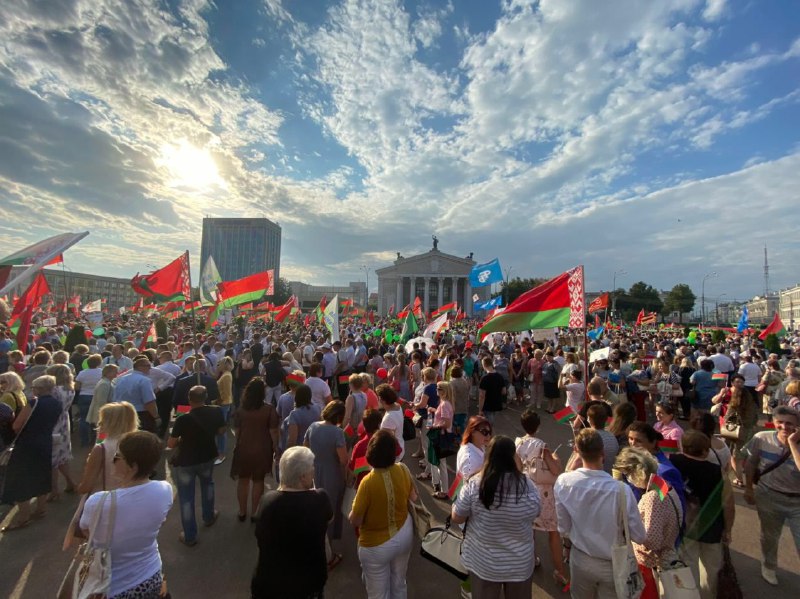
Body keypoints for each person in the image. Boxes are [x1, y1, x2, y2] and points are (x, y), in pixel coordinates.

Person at [80, 431, 173, 598]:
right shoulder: (165, 490)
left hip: (112, 586)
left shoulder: (98, 502)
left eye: (117, 456)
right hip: (152, 576)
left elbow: (86, 531)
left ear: (133, 466)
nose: (112, 460)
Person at [555, 429, 646, 598]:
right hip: (614, 564)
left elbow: (563, 528)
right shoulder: (622, 491)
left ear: (576, 450)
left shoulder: (563, 482)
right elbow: (639, 536)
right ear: (603, 453)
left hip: (581, 559)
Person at [451, 435, 541, 598]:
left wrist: (454, 505)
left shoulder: (475, 484)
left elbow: (457, 517)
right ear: (513, 457)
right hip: (519, 564)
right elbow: (536, 511)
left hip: (483, 563)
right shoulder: (527, 485)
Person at [252, 446, 332, 599]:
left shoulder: (267, 501)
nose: (314, 471)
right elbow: (329, 518)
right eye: (311, 468)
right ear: (302, 477)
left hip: (269, 586)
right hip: (307, 586)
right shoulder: (320, 499)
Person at [349, 430, 416, 599]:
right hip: (404, 533)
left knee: (378, 593)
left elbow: (355, 520)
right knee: (399, 583)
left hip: (376, 545)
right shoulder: (403, 469)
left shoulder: (368, 482)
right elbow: (414, 497)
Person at [671, 430, 734, 598]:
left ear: (682, 446)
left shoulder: (674, 463)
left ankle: (691, 595)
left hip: (685, 524)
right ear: (706, 451)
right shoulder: (717, 472)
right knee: (711, 568)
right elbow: (728, 504)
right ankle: (708, 595)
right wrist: (728, 529)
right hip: (711, 525)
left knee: (688, 563)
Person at [614, 447, 683, 599]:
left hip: (650, 566)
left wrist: (630, 529)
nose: (628, 479)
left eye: (628, 474)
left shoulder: (652, 498)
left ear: (639, 473)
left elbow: (652, 540)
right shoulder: (664, 486)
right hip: (667, 555)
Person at [743, 405, 800, 586]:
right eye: (779, 422)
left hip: (797, 501)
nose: (784, 427)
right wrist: (748, 488)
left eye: (790, 423)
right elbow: (751, 463)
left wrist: (792, 443)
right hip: (769, 495)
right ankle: (769, 565)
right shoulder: (761, 438)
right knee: (770, 536)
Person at [0, 375, 63, 531]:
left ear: (39, 389)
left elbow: (17, 425)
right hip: (45, 442)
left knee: (20, 480)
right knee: (41, 475)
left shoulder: (34, 402)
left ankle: (23, 517)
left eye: (34, 387)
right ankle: (41, 509)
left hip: (27, 444)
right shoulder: (57, 403)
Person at [167, 385, 225, 546]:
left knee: (186, 497)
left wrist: (182, 438)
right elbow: (221, 431)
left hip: (186, 460)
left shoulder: (183, 417)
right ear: (206, 397)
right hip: (207, 456)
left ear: (189, 399)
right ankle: (209, 516)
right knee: (208, 485)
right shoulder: (216, 411)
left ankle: (190, 535)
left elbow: (171, 444)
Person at [515, 409, 568, 587]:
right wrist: (554, 457)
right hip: (543, 492)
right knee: (553, 531)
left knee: (530, 529)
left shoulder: (518, 443)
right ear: (538, 426)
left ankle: (532, 559)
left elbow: (517, 468)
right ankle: (559, 570)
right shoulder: (542, 446)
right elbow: (555, 470)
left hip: (525, 489)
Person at [304, 400, 348, 569]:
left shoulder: (313, 426)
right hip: (332, 474)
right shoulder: (337, 432)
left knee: (314, 509)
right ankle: (327, 554)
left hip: (313, 472)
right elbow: (343, 460)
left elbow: (305, 449)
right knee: (329, 511)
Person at [231, 377, 279, 522]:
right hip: (262, 449)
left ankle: (242, 511)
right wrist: (276, 447)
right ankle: (255, 512)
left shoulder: (241, 410)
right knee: (258, 481)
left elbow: (237, 432)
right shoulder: (269, 409)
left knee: (243, 480)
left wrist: (238, 443)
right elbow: (273, 431)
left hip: (244, 448)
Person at [77, 402, 139, 494]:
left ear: (111, 423)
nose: (99, 423)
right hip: (132, 495)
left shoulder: (101, 448)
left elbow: (86, 487)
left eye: (102, 419)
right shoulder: (137, 444)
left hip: (106, 497)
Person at [713, 373, 758, 486]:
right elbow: (714, 401)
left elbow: (729, 415)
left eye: (741, 382)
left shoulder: (740, 399)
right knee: (737, 454)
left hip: (730, 427)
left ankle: (735, 477)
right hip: (743, 429)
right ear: (732, 382)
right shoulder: (732, 392)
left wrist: (726, 424)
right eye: (737, 381)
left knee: (728, 453)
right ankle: (739, 477)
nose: (740, 384)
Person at [45, 363, 77, 499]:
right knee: (62, 456)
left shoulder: (54, 391)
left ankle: (54, 490)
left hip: (53, 423)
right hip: (64, 421)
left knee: (52, 459)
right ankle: (70, 483)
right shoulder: (69, 389)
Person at [114, 356, 160, 434]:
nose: (150, 368)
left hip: (122, 412)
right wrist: (156, 417)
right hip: (140, 414)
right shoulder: (144, 380)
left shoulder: (121, 379)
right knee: (142, 438)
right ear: (140, 367)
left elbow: (115, 397)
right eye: (148, 366)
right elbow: (149, 402)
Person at [427, 380, 454, 500]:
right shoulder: (444, 403)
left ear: (444, 391)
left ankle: (444, 491)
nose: (436, 390)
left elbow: (446, 423)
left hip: (441, 436)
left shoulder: (444, 404)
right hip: (441, 435)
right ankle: (439, 485)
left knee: (441, 464)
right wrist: (434, 410)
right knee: (439, 463)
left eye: (438, 388)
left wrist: (434, 427)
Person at [74, 353, 103, 446]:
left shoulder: (82, 373)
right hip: (97, 396)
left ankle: (84, 441)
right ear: (99, 363)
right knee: (98, 419)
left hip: (84, 396)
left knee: (83, 419)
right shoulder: (102, 372)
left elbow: (77, 387)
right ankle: (96, 440)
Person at [284, 383, 322, 449]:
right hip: (315, 447)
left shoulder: (294, 414)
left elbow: (292, 440)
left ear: (297, 396)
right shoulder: (318, 408)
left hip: (301, 450)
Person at [456, 415, 492, 481]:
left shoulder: (480, 445)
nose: (488, 436)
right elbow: (468, 483)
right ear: (473, 432)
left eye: (490, 432)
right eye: (484, 432)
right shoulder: (469, 459)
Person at [376, 383, 405, 461]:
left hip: (393, 456)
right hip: (400, 447)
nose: (378, 400)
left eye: (378, 397)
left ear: (383, 400)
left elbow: (386, 441)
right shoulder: (397, 406)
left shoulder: (389, 418)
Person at [86, 363, 118, 428]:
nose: (116, 373)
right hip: (103, 414)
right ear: (108, 372)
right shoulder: (104, 384)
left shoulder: (108, 382)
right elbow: (101, 401)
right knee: (102, 432)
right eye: (115, 371)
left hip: (106, 413)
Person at [478, 356, 506, 424]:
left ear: (484, 365)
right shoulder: (500, 376)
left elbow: (482, 396)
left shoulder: (485, 378)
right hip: (497, 404)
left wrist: (480, 410)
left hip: (487, 405)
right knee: (491, 422)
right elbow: (504, 392)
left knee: (488, 424)